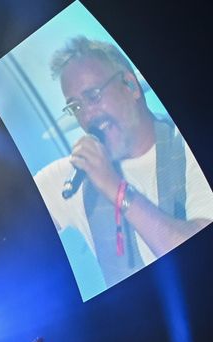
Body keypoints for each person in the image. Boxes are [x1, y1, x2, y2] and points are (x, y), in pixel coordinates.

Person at [34, 37, 213, 290]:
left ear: (130, 85)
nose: (87, 116)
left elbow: (202, 255)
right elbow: (12, 232)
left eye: (93, 96)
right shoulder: (73, 174)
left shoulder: (191, 146)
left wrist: (115, 188)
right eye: (75, 106)